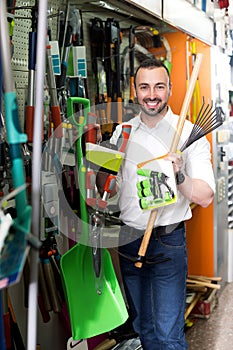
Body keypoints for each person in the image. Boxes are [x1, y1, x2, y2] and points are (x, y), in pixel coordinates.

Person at [107, 58, 215, 349]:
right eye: (144, 87)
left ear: (170, 89)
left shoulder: (188, 134)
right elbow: (111, 191)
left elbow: (205, 196)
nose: (151, 94)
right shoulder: (123, 132)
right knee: (144, 328)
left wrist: (179, 175)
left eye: (158, 86)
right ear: (135, 90)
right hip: (129, 241)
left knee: (168, 335)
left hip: (167, 243)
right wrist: (99, 173)